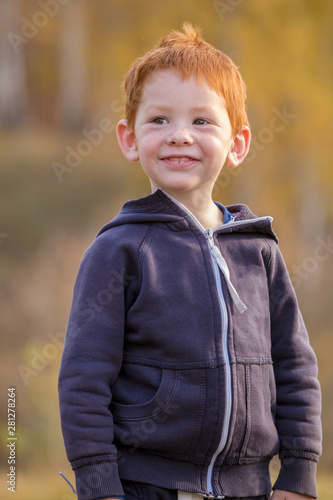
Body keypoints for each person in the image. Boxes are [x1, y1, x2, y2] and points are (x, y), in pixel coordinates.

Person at [58, 23, 322, 500]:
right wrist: (99, 486)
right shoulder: (118, 251)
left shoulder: (259, 251)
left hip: (251, 489)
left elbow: (295, 367)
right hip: (145, 487)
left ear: (237, 144)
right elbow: (83, 380)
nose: (179, 135)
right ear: (129, 138)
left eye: (202, 121)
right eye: (159, 121)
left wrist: (300, 475)